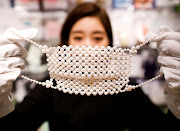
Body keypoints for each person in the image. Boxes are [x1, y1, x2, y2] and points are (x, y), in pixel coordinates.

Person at [0, 2, 180, 130]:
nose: (88, 46)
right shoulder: (51, 86)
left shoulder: (124, 87)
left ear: (109, 43)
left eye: (97, 37)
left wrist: (177, 107)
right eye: (78, 37)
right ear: (66, 43)